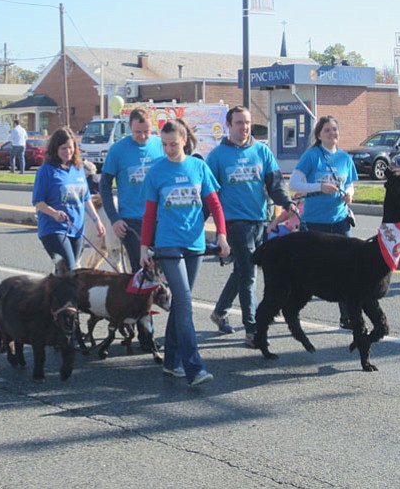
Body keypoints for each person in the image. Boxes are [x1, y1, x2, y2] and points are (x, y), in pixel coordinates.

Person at [140, 119, 229, 386]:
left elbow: (214, 204)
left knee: (180, 303)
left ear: (185, 141)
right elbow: (149, 214)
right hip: (168, 243)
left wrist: (222, 235)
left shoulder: (198, 167)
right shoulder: (156, 172)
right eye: (164, 144)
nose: (168, 149)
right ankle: (194, 368)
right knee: (185, 300)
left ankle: (171, 361)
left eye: (173, 144)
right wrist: (144, 246)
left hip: (195, 243)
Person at [207, 105, 296, 347]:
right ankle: (252, 328)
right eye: (238, 123)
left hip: (260, 221)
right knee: (249, 275)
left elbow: (276, 184)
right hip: (235, 224)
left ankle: (220, 312)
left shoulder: (262, 151)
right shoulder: (217, 156)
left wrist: (287, 202)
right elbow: (209, 194)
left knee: (243, 272)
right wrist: (201, 224)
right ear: (229, 125)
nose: (244, 127)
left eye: (247, 122)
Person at [288, 115, 358, 329]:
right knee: (311, 269)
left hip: (339, 220)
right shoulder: (312, 156)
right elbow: (294, 183)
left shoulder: (345, 158)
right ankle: (290, 308)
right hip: (315, 222)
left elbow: (351, 183)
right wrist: (320, 187)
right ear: (319, 135)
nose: (332, 133)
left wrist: (348, 193)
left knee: (347, 269)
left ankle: (347, 316)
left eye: (334, 129)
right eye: (327, 130)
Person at [98, 106, 166, 273]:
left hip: (159, 217)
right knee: (140, 269)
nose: (142, 136)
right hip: (132, 219)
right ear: (129, 126)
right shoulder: (118, 150)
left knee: (160, 268)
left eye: (146, 131)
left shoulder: (160, 145)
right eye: (137, 132)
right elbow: (104, 184)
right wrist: (114, 218)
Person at [32, 127, 105, 270]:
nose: (68, 152)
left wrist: (97, 220)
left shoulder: (78, 169)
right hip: (54, 229)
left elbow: (86, 197)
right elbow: (38, 202)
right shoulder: (46, 171)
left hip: (76, 229)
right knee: (68, 270)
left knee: (64, 274)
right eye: (63, 148)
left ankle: (50, 292)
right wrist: (54, 213)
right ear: (55, 149)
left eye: (70, 148)